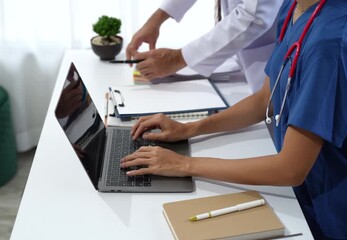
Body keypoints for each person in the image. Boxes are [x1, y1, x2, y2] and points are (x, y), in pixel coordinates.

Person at [121, 0, 347, 238]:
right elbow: (264, 99)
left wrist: (183, 165)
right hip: (296, 196)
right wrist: (189, 129)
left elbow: (290, 168)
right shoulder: (293, 7)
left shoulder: (329, 41)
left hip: (328, 212)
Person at [126, 0, 284, 93]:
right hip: (243, 62)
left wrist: (176, 60)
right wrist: (158, 17)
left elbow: (254, 15)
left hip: (271, 62)